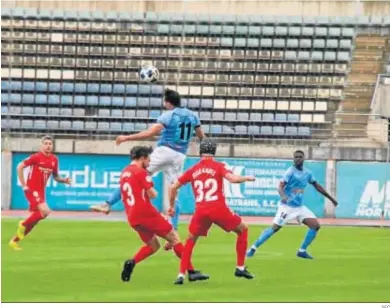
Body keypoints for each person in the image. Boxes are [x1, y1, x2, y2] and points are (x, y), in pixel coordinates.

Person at [91, 88, 205, 242]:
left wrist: (127, 137)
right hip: (180, 156)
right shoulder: (193, 116)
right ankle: (174, 229)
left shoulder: (169, 115)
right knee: (174, 190)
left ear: (167, 102)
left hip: (164, 150)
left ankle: (107, 203)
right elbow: (201, 136)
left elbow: (151, 133)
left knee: (132, 175)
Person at [168, 140, 256, 285]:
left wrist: (171, 206)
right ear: (214, 152)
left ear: (200, 152)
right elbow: (232, 179)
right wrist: (245, 178)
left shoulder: (193, 169)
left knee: (190, 240)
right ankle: (240, 267)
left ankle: (181, 275)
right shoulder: (218, 166)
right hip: (218, 208)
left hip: (201, 210)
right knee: (243, 229)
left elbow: (173, 187)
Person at [119, 145, 208, 283]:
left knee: (153, 245)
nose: (149, 163)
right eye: (149, 159)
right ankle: (191, 271)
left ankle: (132, 262)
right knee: (174, 238)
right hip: (145, 212)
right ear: (142, 158)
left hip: (132, 216)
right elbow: (152, 194)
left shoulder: (124, 172)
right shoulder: (141, 172)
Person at [247, 150, 338, 259]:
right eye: (296, 157)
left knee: (315, 226)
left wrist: (331, 199)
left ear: (303, 159)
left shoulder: (308, 173)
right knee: (275, 228)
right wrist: (283, 196)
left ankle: (302, 250)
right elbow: (280, 186)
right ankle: (253, 248)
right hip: (287, 207)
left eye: (300, 157)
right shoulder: (290, 171)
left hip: (299, 207)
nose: (298, 158)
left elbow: (317, 186)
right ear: (293, 159)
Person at [9, 135, 71, 250]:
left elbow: (55, 176)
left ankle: (15, 240)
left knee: (39, 217)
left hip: (41, 192)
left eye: (50, 144)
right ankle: (22, 224)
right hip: (31, 190)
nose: (48, 146)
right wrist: (24, 185)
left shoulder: (54, 160)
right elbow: (19, 167)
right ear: (41, 145)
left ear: (52, 146)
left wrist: (64, 180)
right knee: (46, 211)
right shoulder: (36, 157)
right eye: (46, 143)